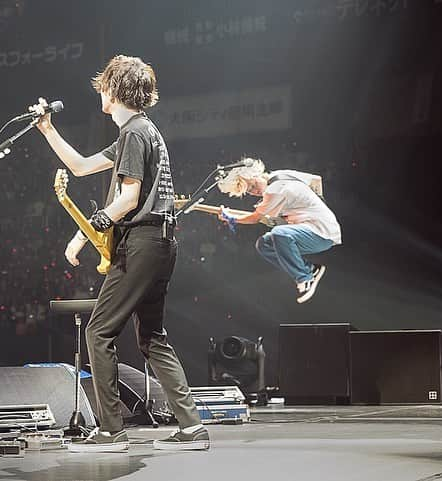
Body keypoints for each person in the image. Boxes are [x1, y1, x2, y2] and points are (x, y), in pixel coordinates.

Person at [31, 54, 209, 452]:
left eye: (103, 87)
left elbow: (128, 199)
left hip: (142, 244)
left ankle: (112, 431)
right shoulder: (143, 131)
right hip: (162, 243)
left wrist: (86, 232)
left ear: (113, 90)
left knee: (99, 331)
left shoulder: (134, 133)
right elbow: (79, 167)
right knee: (152, 338)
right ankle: (192, 427)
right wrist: (47, 130)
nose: (100, 93)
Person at [216, 158, 341, 303]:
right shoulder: (282, 174)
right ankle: (310, 270)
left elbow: (255, 218)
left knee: (279, 233)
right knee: (264, 245)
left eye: (253, 185)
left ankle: (305, 277)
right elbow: (315, 180)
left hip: (321, 232)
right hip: (310, 230)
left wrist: (232, 218)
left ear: (255, 175)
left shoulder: (273, 190)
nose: (254, 191)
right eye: (249, 192)